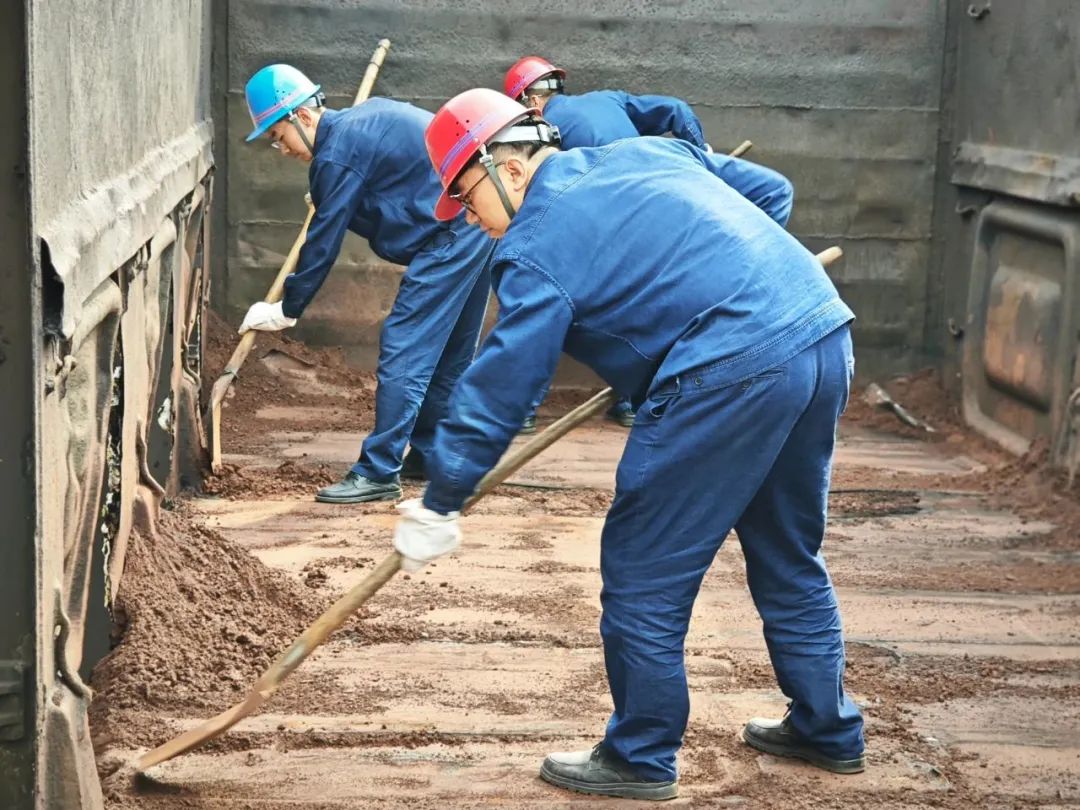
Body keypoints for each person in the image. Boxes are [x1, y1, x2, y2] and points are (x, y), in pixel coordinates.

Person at [391, 88, 865, 800]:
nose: (477, 224)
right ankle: (828, 730)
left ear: (509, 168)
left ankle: (640, 754)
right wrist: (725, 285)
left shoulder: (534, 243)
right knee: (787, 550)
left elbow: (501, 385)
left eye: (468, 199)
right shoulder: (650, 150)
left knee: (644, 570)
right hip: (819, 331)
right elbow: (766, 192)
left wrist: (442, 497)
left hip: (729, 371)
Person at [236, 64, 495, 502]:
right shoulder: (356, 129)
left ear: (302, 116)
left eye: (278, 136)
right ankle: (433, 454)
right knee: (450, 353)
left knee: (405, 347)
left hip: (451, 235)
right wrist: (333, 196)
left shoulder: (336, 153)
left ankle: (378, 471)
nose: (281, 149)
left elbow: (323, 243)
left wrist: (287, 309)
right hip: (477, 221)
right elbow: (389, 200)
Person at [503, 55, 709, 430]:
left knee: (547, 299)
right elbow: (677, 110)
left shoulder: (544, 132)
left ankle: (523, 408)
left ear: (530, 102)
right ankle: (632, 402)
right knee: (644, 306)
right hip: (656, 222)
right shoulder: (609, 99)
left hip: (605, 228)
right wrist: (702, 157)